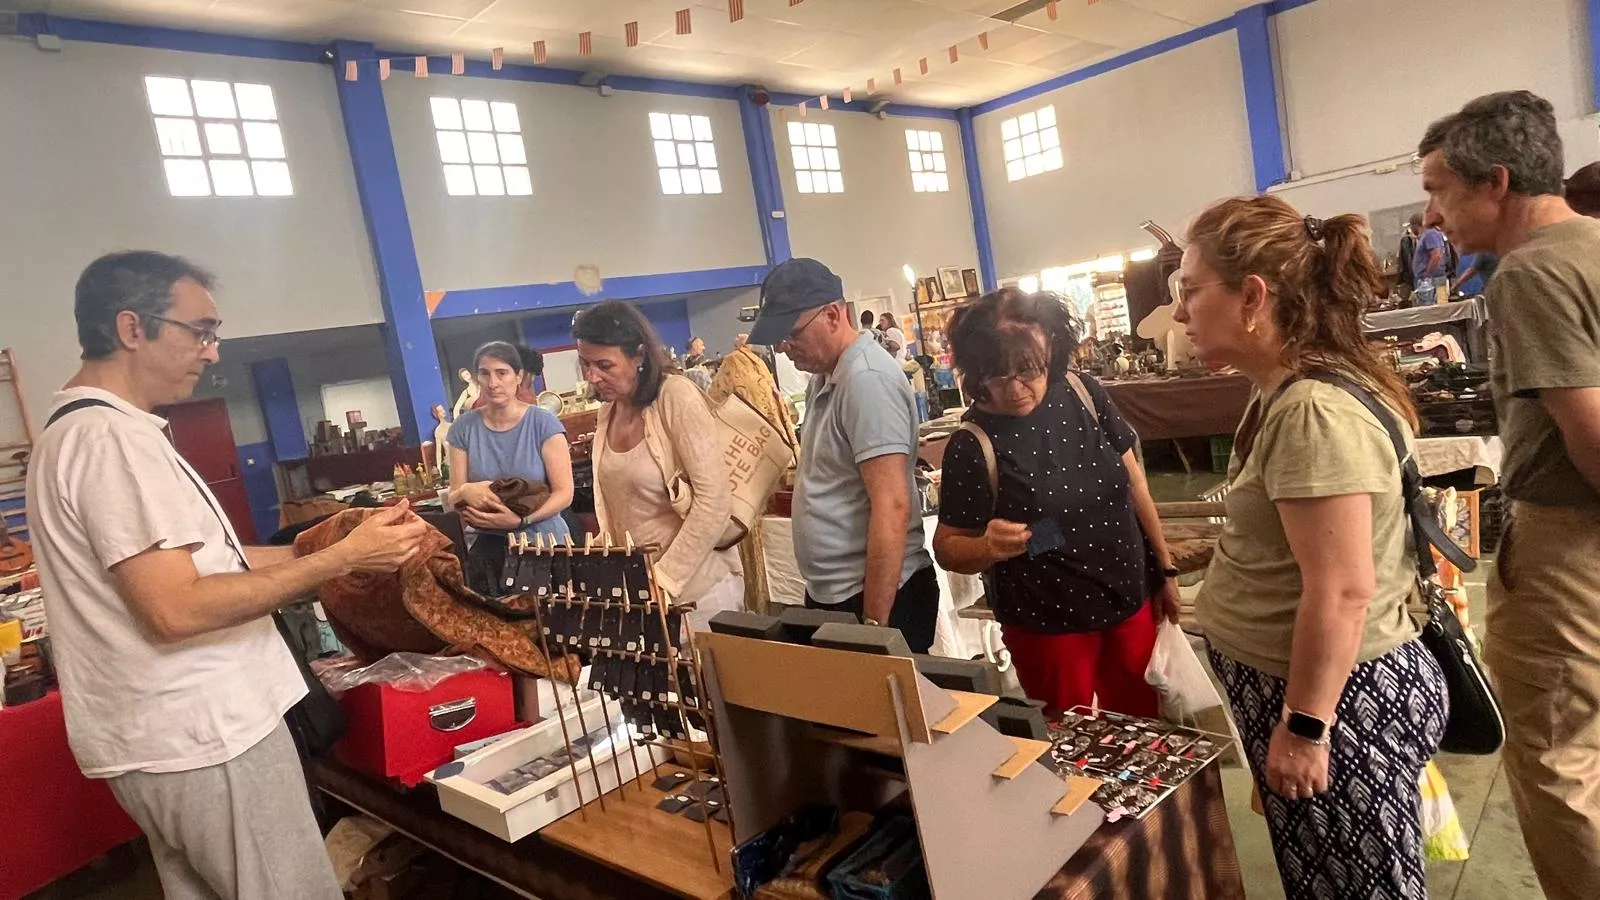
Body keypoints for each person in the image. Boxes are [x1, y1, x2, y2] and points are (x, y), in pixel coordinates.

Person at [27, 251, 429, 900]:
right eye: (200, 330)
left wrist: (325, 541)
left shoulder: (84, 432)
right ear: (133, 329)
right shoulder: (110, 441)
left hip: (175, 739)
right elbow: (177, 608)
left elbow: (212, 567)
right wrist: (343, 561)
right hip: (206, 734)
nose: (212, 353)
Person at [1175, 197, 1447, 898]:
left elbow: (1343, 590)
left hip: (1339, 704)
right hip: (1323, 697)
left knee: (1358, 888)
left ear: (1253, 297)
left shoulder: (1310, 409)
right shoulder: (1287, 389)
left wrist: (1303, 727)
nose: (1179, 314)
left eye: (1190, 290)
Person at [1418, 90, 1600, 900]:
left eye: (1439, 188)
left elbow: (1591, 438)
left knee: (1558, 759)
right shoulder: (1595, 246)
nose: (1432, 213)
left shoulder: (1531, 272)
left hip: (1571, 544)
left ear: (1495, 182)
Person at [931, 288, 1180, 717]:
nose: (1016, 389)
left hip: (1129, 598)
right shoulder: (973, 445)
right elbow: (948, 547)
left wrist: (1165, 568)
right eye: (997, 375)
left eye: (1029, 370)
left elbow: (1134, 484)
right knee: (1071, 745)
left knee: (1146, 734)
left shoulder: (1083, 394)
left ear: (1051, 346)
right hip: (1047, 623)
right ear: (975, 371)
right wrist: (987, 547)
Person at [749, 259, 940, 652]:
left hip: (874, 596)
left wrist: (873, 626)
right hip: (840, 593)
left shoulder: (865, 380)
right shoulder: (828, 376)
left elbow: (893, 506)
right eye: (778, 339)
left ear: (833, 315)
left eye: (791, 334)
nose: (784, 349)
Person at [574, 301, 743, 628]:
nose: (592, 376)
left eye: (604, 365)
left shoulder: (675, 396)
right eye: (584, 363)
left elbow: (715, 503)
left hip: (699, 594)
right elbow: (621, 510)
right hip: (643, 596)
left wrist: (664, 580)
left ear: (639, 356)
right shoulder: (608, 411)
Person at [449, 341, 573, 593]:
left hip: (543, 543)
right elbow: (453, 496)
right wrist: (464, 492)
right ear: (477, 379)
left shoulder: (543, 423)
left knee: (548, 625)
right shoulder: (463, 428)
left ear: (518, 376)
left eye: (501, 373)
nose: (493, 382)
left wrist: (520, 520)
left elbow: (564, 493)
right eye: (485, 373)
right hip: (488, 548)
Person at [1412, 219, 1451, 304]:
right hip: (1434, 279)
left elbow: (1436, 255)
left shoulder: (1430, 234)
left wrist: (1427, 275)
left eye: (1411, 226)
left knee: (1429, 311)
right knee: (1440, 307)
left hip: (1431, 281)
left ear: (1415, 225)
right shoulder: (1430, 235)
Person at [1397, 212, 1422, 299]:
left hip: (1422, 277)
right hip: (1414, 277)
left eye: (1411, 225)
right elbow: (1405, 260)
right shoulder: (1406, 239)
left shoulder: (1428, 237)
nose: (1410, 228)